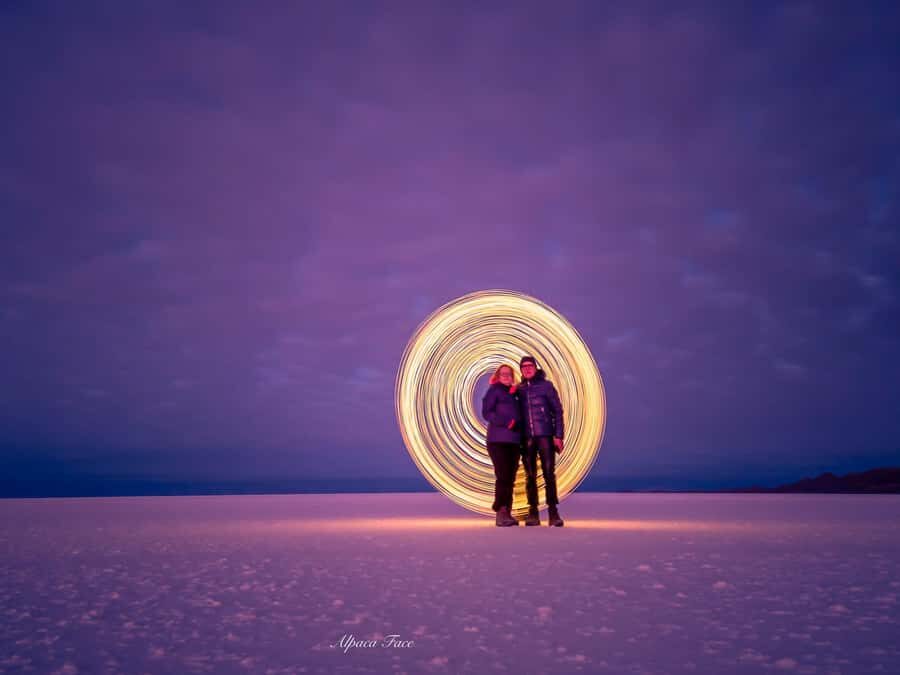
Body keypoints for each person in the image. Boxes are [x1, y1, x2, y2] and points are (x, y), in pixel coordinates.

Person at [517, 355, 565, 527]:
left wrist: (558, 436)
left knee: (548, 474)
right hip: (527, 438)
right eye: (524, 367)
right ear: (521, 370)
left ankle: (553, 513)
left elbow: (558, 412)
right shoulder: (519, 390)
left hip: (545, 436)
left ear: (536, 368)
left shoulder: (546, 386)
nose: (527, 369)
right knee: (530, 476)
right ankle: (533, 513)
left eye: (530, 366)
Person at [481, 363, 524, 527]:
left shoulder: (514, 394)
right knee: (503, 476)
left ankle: (507, 512)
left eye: (509, 374)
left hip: (513, 441)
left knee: (510, 478)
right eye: (503, 374)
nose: (506, 376)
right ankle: (501, 512)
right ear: (498, 376)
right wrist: (508, 423)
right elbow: (487, 412)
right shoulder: (494, 391)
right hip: (498, 441)